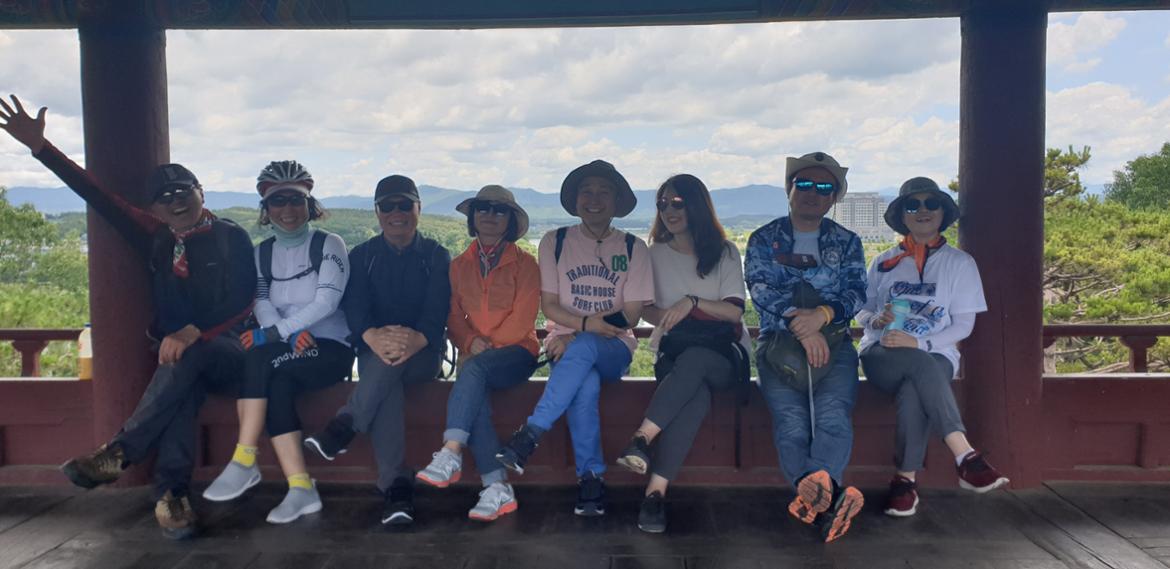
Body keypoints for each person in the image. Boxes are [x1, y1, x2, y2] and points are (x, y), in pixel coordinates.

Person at [0, 95, 256, 540]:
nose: (176, 202)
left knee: (187, 358)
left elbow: (242, 298)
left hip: (230, 351)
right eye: (164, 197)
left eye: (184, 191)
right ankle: (172, 498)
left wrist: (193, 331)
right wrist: (41, 148)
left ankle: (119, 452)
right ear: (153, 208)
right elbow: (97, 195)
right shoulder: (154, 236)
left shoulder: (229, 237)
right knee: (181, 387)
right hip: (180, 360)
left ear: (202, 193)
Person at [495, 160, 654, 517]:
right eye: (587, 191)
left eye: (603, 192)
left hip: (613, 347)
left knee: (581, 348)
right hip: (565, 346)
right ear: (576, 199)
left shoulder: (633, 247)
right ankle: (591, 480)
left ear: (616, 201)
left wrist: (579, 333)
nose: (594, 199)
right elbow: (549, 306)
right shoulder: (556, 242)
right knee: (585, 387)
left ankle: (530, 434)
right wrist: (583, 327)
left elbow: (631, 316)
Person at [201, 161, 355, 524]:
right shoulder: (262, 253)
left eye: (296, 200)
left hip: (331, 347)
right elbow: (262, 301)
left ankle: (244, 458)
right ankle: (300, 487)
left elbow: (327, 301)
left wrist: (277, 334)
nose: (288, 209)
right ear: (266, 209)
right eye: (277, 201)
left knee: (257, 359)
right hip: (290, 347)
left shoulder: (329, 244)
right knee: (277, 384)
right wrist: (288, 332)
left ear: (309, 205)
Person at [302, 174, 450, 526]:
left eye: (405, 205)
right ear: (377, 212)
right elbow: (356, 311)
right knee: (388, 383)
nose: (396, 213)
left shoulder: (435, 255)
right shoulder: (362, 256)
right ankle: (396, 487)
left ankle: (348, 423)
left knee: (388, 367)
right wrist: (375, 338)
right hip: (375, 352)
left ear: (418, 209)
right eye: (388, 206)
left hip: (424, 353)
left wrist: (409, 341)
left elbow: (436, 314)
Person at [858, 176, 1008, 518]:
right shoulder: (882, 262)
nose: (922, 210)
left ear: (943, 212)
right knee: (919, 366)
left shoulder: (960, 264)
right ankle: (965, 455)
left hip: (937, 354)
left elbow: (963, 325)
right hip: (882, 354)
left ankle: (904, 482)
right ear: (902, 216)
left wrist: (920, 342)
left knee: (916, 383)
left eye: (931, 204)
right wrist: (876, 321)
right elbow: (860, 310)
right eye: (913, 205)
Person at [614, 174, 751, 533]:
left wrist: (691, 304)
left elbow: (734, 311)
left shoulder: (724, 252)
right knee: (695, 395)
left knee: (697, 359)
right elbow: (645, 309)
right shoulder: (653, 254)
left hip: (723, 355)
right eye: (662, 203)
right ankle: (655, 494)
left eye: (677, 202)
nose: (669, 210)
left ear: (696, 205)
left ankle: (642, 438)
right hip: (674, 353)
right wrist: (673, 316)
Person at [744, 151, 867, 543]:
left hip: (836, 343)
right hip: (777, 345)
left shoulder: (847, 242)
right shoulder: (763, 239)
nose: (814, 193)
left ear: (834, 198)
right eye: (805, 184)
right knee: (792, 422)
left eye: (825, 187)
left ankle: (814, 502)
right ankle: (830, 503)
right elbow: (760, 289)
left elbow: (856, 291)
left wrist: (823, 316)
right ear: (789, 188)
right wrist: (802, 326)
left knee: (833, 416)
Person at [415, 185, 540, 522]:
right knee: (476, 394)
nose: (490, 215)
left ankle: (451, 450)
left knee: (472, 372)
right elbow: (454, 315)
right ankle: (497, 487)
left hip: (517, 353)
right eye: (483, 207)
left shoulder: (526, 264)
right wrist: (469, 342)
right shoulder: (459, 266)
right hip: (476, 357)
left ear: (510, 220)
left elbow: (524, 318)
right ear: (473, 216)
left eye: (500, 210)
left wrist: (483, 349)